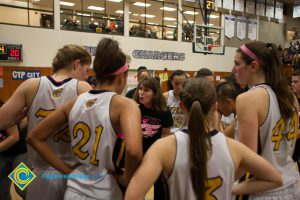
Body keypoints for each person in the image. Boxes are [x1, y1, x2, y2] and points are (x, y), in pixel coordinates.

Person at [125, 78, 283, 200]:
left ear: (181, 106)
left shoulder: (163, 147)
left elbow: (132, 196)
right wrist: (230, 187)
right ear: (215, 106)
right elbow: (276, 179)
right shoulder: (233, 147)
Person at [27, 37, 143, 200]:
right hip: (105, 191)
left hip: (73, 190)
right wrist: (126, 178)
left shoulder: (74, 102)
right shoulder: (126, 105)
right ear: (122, 77)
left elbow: (33, 137)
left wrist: (67, 170)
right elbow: (134, 151)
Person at [0, 44, 92, 200]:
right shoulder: (82, 87)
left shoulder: (30, 85)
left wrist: (20, 116)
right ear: (76, 64)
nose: (86, 75)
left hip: (40, 174)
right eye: (86, 70)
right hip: (72, 173)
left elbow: (1, 121)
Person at [233, 41, 300, 199]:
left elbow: (247, 159)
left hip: (266, 189)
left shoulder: (248, 99)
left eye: (237, 63)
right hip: (293, 182)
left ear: (254, 66)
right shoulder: (289, 97)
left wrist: (220, 181)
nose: (233, 69)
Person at [133, 76, 173, 200]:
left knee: (159, 184)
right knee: (136, 183)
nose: (141, 93)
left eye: (146, 90)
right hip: (138, 151)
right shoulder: (134, 108)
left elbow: (166, 135)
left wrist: (160, 154)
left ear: (154, 93)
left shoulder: (164, 110)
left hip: (156, 152)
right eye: (140, 89)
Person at [0, 99, 29, 200]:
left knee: (22, 189)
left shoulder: (3, 112)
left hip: (20, 154)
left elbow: (14, 137)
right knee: (1, 191)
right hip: (3, 155)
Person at [291, 70, 300, 172]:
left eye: (296, 82)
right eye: (292, 82)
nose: (292, 84)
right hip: (294, 148)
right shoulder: (290, 101)